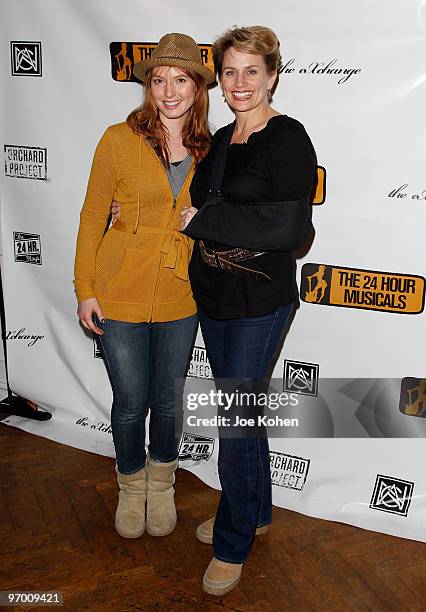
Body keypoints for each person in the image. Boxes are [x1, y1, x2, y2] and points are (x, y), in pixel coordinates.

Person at [180, 25, 317, 595]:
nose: (239, 83)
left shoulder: (287, 139)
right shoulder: (217, 141)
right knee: (243, 415)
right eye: (230, 72)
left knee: (235, 422)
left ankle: (233, 542)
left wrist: (208, 222)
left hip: (260, 302)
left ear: (272, 76)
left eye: (251, 72)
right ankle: (255, 510)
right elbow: (196, 201)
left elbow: (290, 228)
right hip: (213, 296)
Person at [73, 33, 215, 541]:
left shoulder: (211, 148)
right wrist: (84, 287)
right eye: (159, 80)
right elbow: (93, 215)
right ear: (147, 86)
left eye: (180, 80)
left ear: (197, 88)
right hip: (119, 290)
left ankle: (163, 483)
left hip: (182, 294)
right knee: (131, 400)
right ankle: (131, 488)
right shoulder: (118, 139)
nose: (169, 91)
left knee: (169, 400)